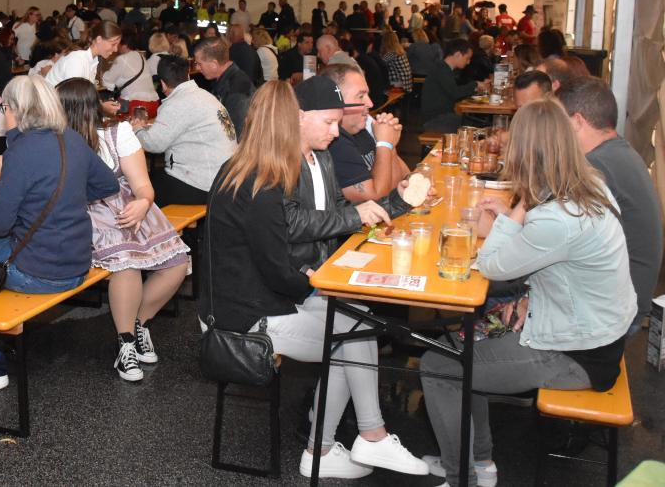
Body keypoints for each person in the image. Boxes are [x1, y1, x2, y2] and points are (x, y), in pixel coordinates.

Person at [202, 79, 428, 480]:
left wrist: (310, 279)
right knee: (352, 334)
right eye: (328, 122)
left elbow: (277, 256)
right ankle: (356, 440)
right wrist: (310, 281)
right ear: (290, 122)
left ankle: (336, 446)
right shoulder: (263, 182)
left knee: (355, 322)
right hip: (246, 317)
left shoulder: (247, 170)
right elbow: (276, 269)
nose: (335, 133)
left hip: (252, 301)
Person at [421, 99, 636, 487]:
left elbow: (492, 264)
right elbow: (563, 262)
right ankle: (478, 462)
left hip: (576, 354)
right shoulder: (590, 187)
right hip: (597, 336)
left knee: (439, 365)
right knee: (466, 345)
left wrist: (516, 207)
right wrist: (529, 292)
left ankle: (462, 477)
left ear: (523, 152)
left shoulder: (556, 217)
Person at [0, 76, 119, 387]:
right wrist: (67, 199)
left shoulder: (22, 150)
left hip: (38, 273)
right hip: (77, 265)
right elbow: (108, 184)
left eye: (4, 108)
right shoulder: (72, 139)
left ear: (15, 110)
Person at [57, 79, 189, 382]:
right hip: (85, 213)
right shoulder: (57, 140)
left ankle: (140, 322)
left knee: (177, 263)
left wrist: (143, 203)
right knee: (126, 261)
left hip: (126, 206)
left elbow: (143, 185)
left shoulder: (117, 133)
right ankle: (126, 342)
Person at [558, 77, 663, 334]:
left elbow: (556, 238)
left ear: (577, 122)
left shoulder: (596, 165)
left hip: (611, 316)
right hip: (626, 301)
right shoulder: (619, 152)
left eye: (559, 122)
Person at [131, 54, 236, 206]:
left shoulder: (176, 103)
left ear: (163, 84)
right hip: (227, 178)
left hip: (205, 185)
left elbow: (154, 144)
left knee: (142, 189)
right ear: (187, 75)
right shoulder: (205, 95)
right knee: (156, 177)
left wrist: (137, 129)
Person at [322, 65, 409, 202]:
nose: (370, 103)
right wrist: (384, 144)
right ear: (336, 101)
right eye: (361, 96)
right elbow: (375, 200)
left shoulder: (360, 130)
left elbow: (400, 183)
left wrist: (390, 146)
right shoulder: (334, 142)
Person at [194, 36, 255, 140]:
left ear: (214, 64)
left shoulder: (237, 90)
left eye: (199, 64)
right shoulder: (223, 79)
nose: (197, 68)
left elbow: (235, 136)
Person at [421, 38, 486, 133]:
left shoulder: (443, 68)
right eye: (467, 58)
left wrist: (474, 87)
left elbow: (454, 91)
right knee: (481, 128)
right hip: (436, 120)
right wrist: (475, 84)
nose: (468, 62)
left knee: (480, 125)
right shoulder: (441, 70)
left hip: (442, 117)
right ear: (457, 55)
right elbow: (455, 93)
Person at [45, 19, 121, 91]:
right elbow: (74, 96)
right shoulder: (77, 60)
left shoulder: (93, 59)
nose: (116, 49)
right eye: (113, 44)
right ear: (99, 39)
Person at [101, 29, 159, 118]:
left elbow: (107, 81)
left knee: (105, 110)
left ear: (124, 45)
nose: (115, 48)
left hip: (137, 107)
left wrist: (101, 73)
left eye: (117, 44)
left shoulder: (122, 59)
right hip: (154, 105)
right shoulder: (141, 57)